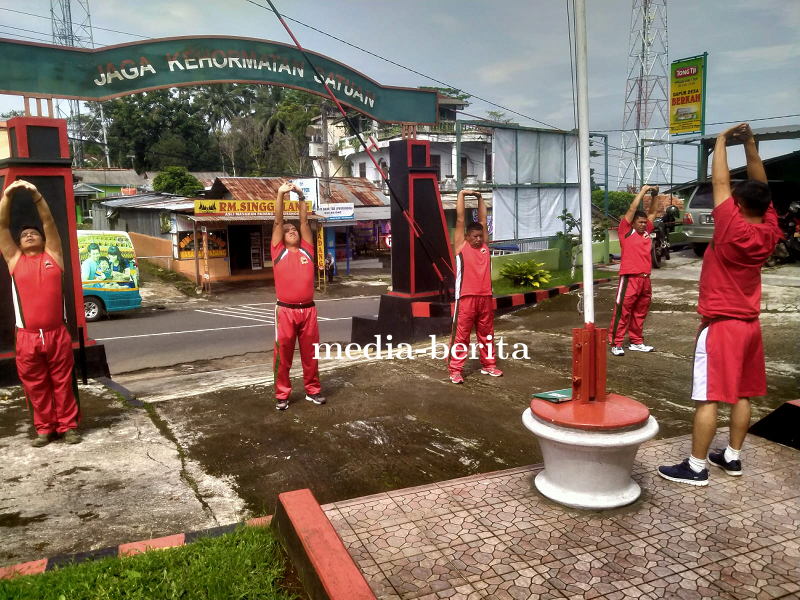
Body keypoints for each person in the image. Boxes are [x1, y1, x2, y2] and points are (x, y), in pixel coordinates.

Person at [658, 123, 782, 486]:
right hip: (750, 326)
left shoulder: (732, 229)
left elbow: (720, 183)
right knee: (742, 394)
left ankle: (696, 466)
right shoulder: (769, 230)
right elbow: (763, 189)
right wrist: (752, 145)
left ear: (738, 206)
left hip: (722, 327)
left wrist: (722, 142)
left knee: (709, 396)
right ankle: (732, 457)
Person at [0, 180, 81, 447]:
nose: (29, 235)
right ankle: (45, 429)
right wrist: (8, 196)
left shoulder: (54, 255)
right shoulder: (15, 261)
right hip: (27, 337)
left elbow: (48, 223)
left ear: (45, 241)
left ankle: (68, 427)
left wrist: (36, 194)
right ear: (19, 245)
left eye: (34, 233)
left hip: (57, 334)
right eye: (24, 235)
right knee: (35, 386)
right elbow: (2, 227)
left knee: (62, 383)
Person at [271, 182, 325, 411]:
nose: (291, 230)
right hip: (285, 311)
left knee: (310, 355)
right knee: (283, 356)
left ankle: (313, 391)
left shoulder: (307, 249)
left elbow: (304, 221)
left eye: (293, 229)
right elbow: (278, 221)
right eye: (287, 230)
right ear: (281, 238)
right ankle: (282, 394)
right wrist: (281, 194)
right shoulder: (278, 252)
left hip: (308, 311)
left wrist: (301, 196)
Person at [447, 189, 502, 384]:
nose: (478, 239)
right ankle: (455, 369)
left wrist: (480, 198)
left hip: (485, 296)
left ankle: (489, 365)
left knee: (487, 334)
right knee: (461, 336)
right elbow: (461, 220)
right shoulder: (461, 246)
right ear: (467, 237)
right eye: (475, 236)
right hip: (466, 298)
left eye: (480, 235)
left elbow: (483, 218)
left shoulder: (485, 246)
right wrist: (462, 194)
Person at [608, 185, 661, 356]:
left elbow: (652, 212)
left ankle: (636, 342)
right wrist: (644, 190)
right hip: (630, 279)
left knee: (640, 312)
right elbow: (632, 209)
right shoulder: (626, 231)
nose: (644, 225)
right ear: (633, 223)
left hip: (645, 279)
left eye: (645, 223)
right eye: (641, 222)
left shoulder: (645, 233)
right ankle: (616, 343)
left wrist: (655, 195)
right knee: (622, 311)